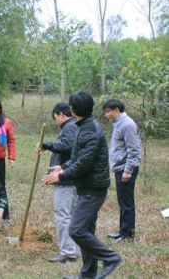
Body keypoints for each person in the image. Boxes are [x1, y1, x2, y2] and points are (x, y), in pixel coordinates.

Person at [43, 91, 122, 279]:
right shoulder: (84, 126)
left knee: (77, 230)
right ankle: (87, 275)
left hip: (93, 189)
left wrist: (61, 177)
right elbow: (79, 157)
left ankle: (110, 258)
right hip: (87, 187)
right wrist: (62, 167)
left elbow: (83, 164)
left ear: (73, 109)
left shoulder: (88, 130)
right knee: (86, 231)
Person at [37, 102, 79, 263]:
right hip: (72, 177)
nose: (56, 122)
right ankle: (75, 250)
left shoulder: (69, 127)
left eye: (56, 118)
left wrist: (46, 144)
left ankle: (68, 253)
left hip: (66, 180)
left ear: (62, 114)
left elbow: (66, 145)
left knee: (63, 215)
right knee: (73, 215)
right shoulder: (74, 126)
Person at [103, 99, 141, 243]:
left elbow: (134, 150)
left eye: (108, 111)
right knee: (122, 201)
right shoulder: (118, 124)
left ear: (117, 110)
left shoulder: (127, 124)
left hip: (126, 169)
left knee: (127, 202)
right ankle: (123, 232)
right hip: (121, 168)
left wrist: (128, 170)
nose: (107, 115)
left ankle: (128, 235)